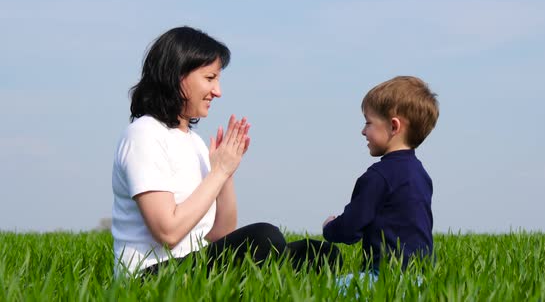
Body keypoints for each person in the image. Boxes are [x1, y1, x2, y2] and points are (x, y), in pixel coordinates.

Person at [111, 26, 339, 277]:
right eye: (210, 79)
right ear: (176, 75)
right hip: (151, 276)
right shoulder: (144, 134)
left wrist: (226, 173)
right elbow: (168, 232)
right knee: (265, 236)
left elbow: (220, 235)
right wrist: (218, 172)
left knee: (320, 253)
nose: (217, 91)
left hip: (191, 266)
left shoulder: (194, 142)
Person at [323, 76, 439, 277]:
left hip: (383, 277)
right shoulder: (421, 175)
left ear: (394, 127)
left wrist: (330, 227)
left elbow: (350, 229)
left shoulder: (378, 177)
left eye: (368, 122)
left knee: (322, 290)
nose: (363, 131)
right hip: (422, 278)